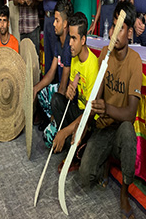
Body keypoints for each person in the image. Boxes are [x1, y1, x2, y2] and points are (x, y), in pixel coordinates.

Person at [79, 1, 142, 219]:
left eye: (121, 28)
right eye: (113, 26)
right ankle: (104, 161)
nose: (115, 32)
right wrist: (87, 117)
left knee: (127, 131)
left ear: (130, 32)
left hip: (120, 127)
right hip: (104, 127)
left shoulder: (135, 62)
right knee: (84, 178)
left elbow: (131, 114)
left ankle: (124, 193)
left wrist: (106, 107)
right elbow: (97, 95)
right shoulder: (105, 53)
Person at [51, 12, 99, 174]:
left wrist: (64, 131)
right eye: (69, 38)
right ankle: (71, 146)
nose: (70, 43)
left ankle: (76, 152)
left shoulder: (92, 65)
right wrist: (71, 92)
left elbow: (90, 112)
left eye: (74, 38)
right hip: (79, 111)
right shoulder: (74, 57)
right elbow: (72, 93)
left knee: (75, 132)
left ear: (83, 40)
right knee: (57, 99)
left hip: (89, 120)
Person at [34, 0, 73, 143]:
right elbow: (51, 72)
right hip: (60, 92)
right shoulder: (58, 42)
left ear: (65, 23)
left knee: (47, 139)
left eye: (57, 20)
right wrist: (35, 88)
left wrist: (55, 110)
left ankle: (61, 124)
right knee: (41, 92)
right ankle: (56, 122)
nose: (53, 23)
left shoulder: (69, 45)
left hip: (68, 97)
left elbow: (63, 86)